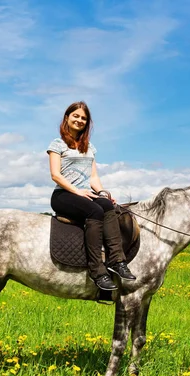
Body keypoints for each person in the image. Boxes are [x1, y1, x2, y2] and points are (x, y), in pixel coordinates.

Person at [47, 101, 136, 291]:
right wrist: (78, 191)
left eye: (83, 118)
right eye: (76, 116)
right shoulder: (57, 144)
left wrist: (103, 193)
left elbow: (93, 176)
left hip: (85, 193)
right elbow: (55, 175)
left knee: (107, 205)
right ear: (67, 118)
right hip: (64, 194)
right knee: (95, 211)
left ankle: (117, 261)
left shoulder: (89, 147)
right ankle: (97, 271)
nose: (79, 120)